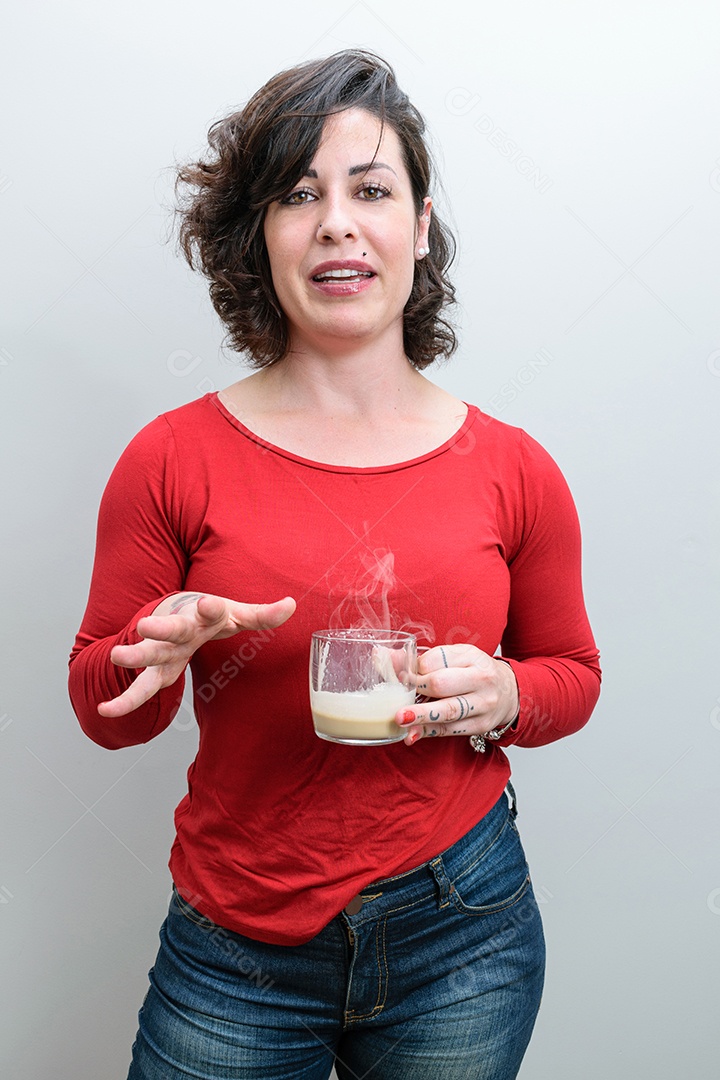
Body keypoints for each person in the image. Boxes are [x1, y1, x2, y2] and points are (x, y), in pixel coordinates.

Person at [69, 49, 601, 1080]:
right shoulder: (169, 458)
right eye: (298, 195)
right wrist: (159, 650)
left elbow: (572, 677)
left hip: (466, 931)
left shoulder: (515, 468)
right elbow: (102, 711)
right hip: (236, 948)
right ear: (259, 236)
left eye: (371, 190)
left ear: (420, 223)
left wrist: (501, 693)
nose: (338, 224)